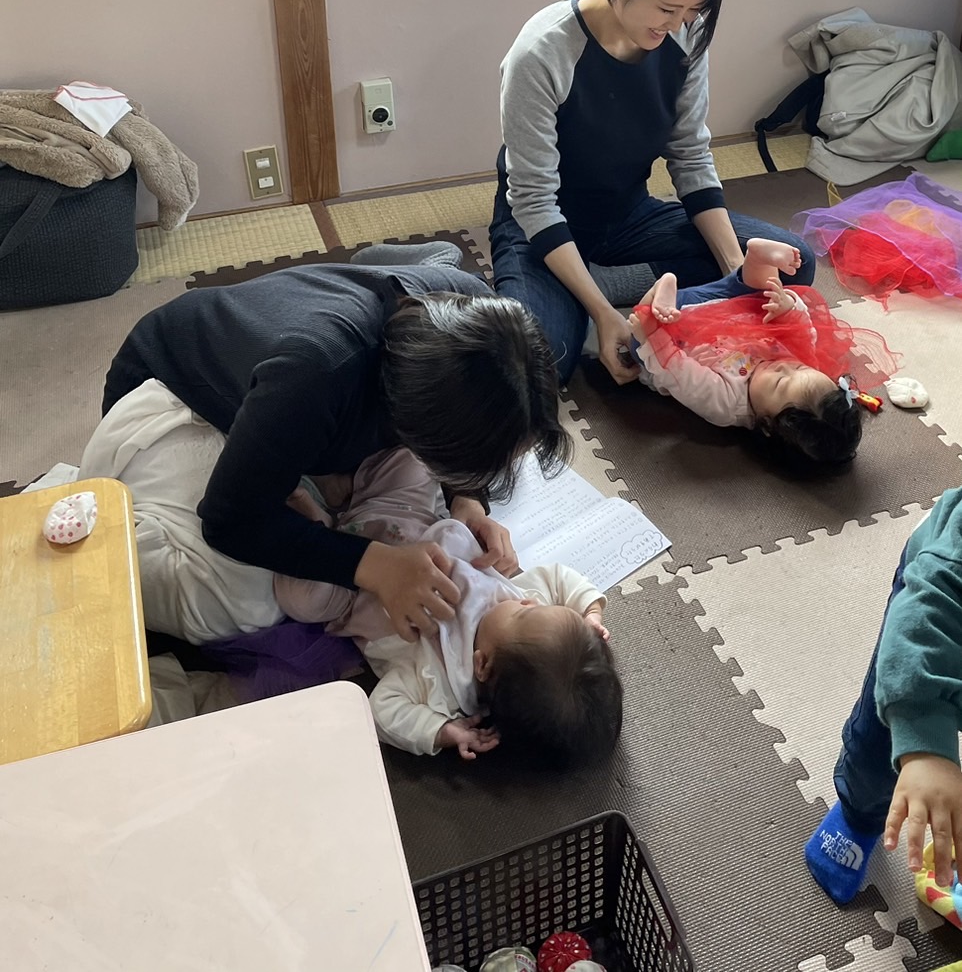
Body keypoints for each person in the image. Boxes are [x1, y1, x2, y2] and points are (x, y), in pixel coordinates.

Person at [79, 242, 568, 646]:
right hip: (170, 392)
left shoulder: (475, 305)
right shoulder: (315, 375)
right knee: (246, 602)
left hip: (283, 361)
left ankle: (398, 264)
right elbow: (229, 521)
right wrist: (376, 566)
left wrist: (467, 499)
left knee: (379, 505)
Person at [490, 0, 816, 388]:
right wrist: (604, 316)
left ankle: (608, 284)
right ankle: (586, 294)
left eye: (693, 10)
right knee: (536, 364)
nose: (678, 24)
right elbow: (533, 201)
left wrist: (738, 275)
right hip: (542, 227)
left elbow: (690, 155)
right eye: (667, 8)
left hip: (629, 215)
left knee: (790, 262)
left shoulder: (685, 34)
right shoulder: (541, 53)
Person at [275, 447, 623, 768]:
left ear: (481, 664)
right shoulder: (516, 610)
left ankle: (316, 524)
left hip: (351, 585)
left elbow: (382, 710)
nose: (529, 599)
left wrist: (440, 731)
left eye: (524, 611)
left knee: (303, 601)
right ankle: (347, 489)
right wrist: (591, 612)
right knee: (414, 457)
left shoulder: (438, 681)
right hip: (405, 517)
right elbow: (559, 578)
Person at [805, 486, 962, 902]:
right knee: (884, 738)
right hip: (934, 610)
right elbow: (920, 630)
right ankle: (858, 814)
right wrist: (926, 745)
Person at [625, 237, 886, 469]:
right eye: (799, 367)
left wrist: (652, 334)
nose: (784, 366)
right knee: (764, 296)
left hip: (677, 325)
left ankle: (657, 294)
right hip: (725, 305)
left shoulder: (727, 404)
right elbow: (801, 329)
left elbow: (679, 373)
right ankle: (759, 259)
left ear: (767, 425)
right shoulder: (801, 370)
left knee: (639, 344)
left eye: (779, 382)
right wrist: (786, 307)